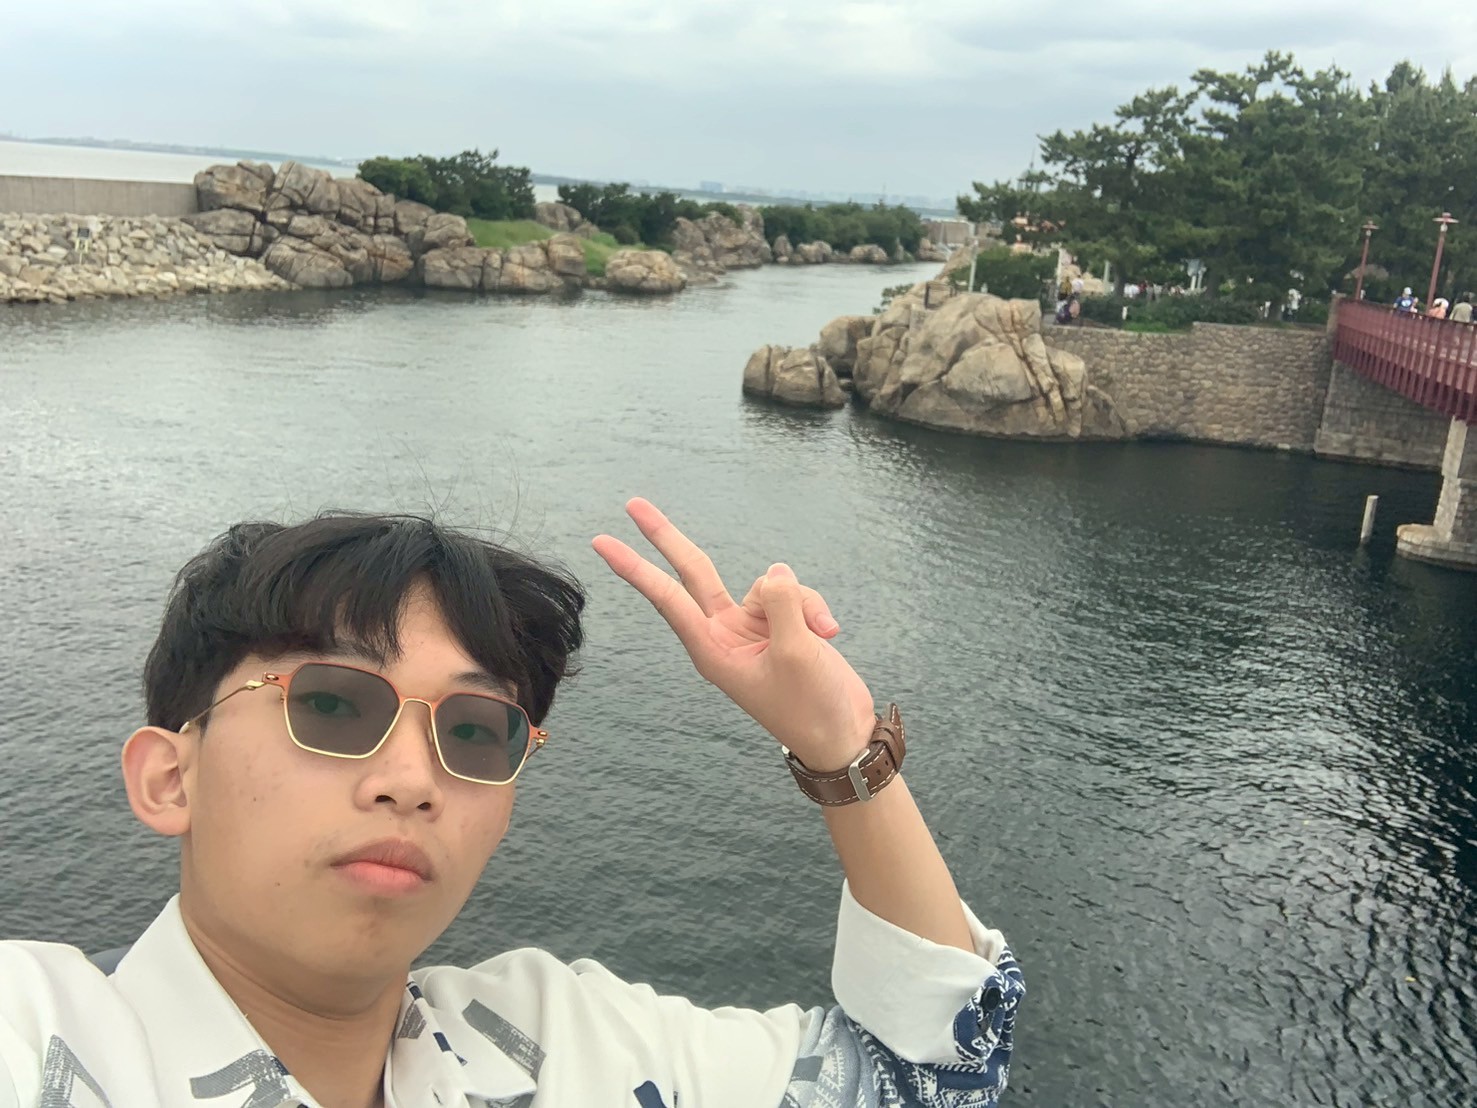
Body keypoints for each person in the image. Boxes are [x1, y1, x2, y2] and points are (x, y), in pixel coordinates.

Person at [0, 504, 1023, 1108]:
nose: (410, 778)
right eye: (331, 703)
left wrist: (844, 751)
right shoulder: (42, 1042)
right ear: (169, 777)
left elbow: (925, 1080)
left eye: (475, 729)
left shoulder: (561, 1049)